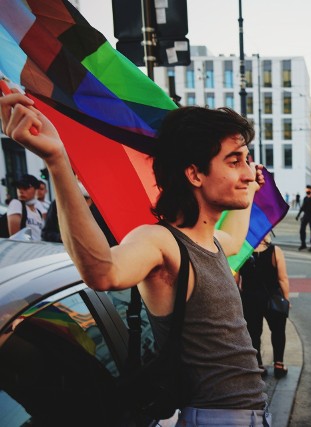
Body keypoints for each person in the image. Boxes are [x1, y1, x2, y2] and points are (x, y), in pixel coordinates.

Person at [1, 91, 271, 426]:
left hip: (248, 415)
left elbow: (233, 239)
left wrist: (253, 191)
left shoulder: (210, 240)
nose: (247, 172)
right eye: (235, 162)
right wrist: (58, 161)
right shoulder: (159, 241)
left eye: (247, 160)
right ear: (194, 174)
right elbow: (103, 272)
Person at [237, 236, 290, 378]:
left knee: (253, 333)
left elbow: (236, 280)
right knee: (278, 331)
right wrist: (286, 299)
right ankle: (279, 364)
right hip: (273, 298)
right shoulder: (275, 251)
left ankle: (258, 365)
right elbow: (283, 278)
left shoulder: (243, 252)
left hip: (250, 299)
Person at [6, 174, 45, 240]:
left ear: (35, 189)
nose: (21, 191)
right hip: (25, 249)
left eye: (25, 187)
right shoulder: (16, 204)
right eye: (18, 187)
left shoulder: (38, 212)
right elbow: (15, 238)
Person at [295, 184, 311, 251]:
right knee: (302, 230)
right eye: (306, 190)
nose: (307, 191)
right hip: (306, 216)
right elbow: (302, 207)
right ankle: (303, 244)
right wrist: (298, 215)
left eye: (308, 189)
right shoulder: (305, 198)